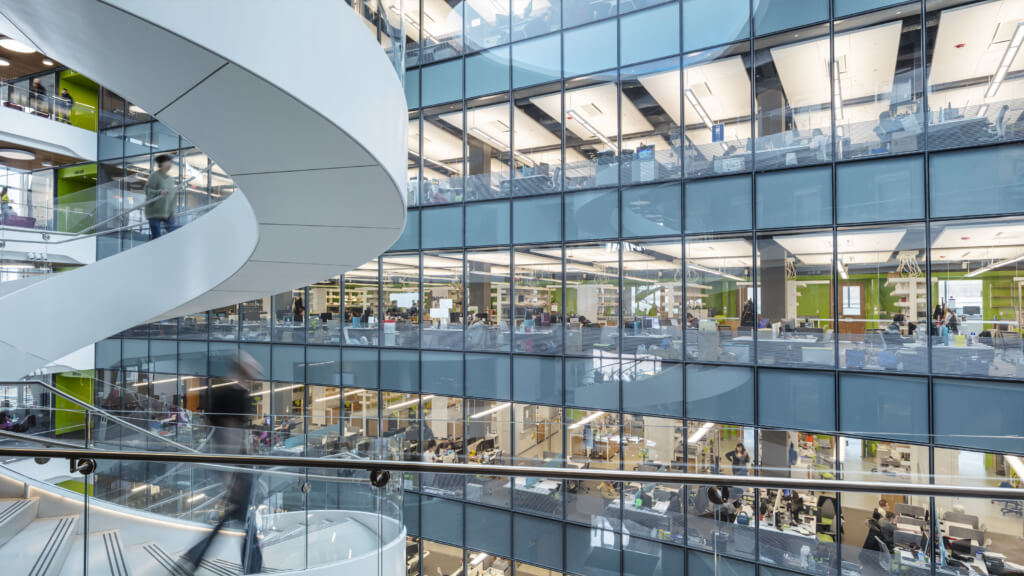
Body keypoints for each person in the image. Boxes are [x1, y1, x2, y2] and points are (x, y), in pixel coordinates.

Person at [179, 353, 262, 575]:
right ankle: (253, 568)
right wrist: (231, 472)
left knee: (236, 517)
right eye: (251, 363)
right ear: (242, 367)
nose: (256, 367)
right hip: (237, 467)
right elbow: (230, 435)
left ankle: (193, 557)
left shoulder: (219, 393)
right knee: (244, 518)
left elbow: (211, 429)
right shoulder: (238, 396)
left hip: (228, 465)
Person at [145, 154, 178, 239]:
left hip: (167, 213)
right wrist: (160, 192)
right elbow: (148, 190)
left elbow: (173, 197)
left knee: (173, 235)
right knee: (157, 237)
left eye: (171, 163)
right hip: (154, 212)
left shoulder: (171, 179)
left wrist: (173, 212)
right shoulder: (154, 176)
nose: (170, 165)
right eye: (168, 162)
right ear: (162, 164)